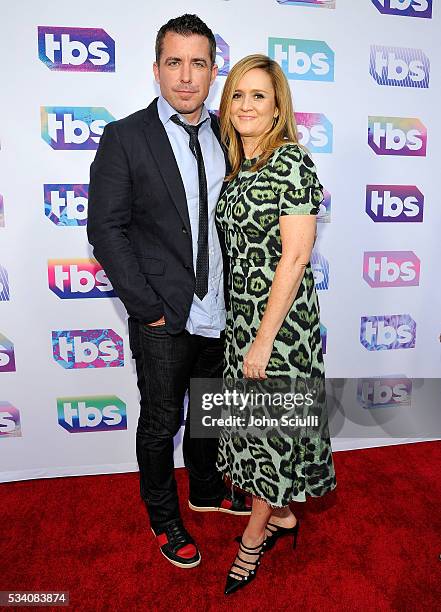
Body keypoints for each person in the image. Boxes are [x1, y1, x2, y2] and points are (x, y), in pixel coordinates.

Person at [87, 14, 251, 570]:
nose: (186, 76)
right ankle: (163, 516)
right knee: (161, 423)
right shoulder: (125, 137)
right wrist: (147, 307)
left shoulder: (231, 138)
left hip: (220, 308)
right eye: (174, 63)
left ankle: (204, 488)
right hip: (162, 313)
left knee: (208, 411)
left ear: (213, 71)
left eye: (198, 63)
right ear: (156, 69)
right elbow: (105, 229)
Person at [215, 54, 337, 594]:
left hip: (280, 328)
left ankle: (252, 540)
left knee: (267, 435)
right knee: (255, 432)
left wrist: (264, 340)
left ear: (277, 106)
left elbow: (294, 258)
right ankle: (282, 514)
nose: (246, 105)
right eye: (238, 94)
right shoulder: (240, 166)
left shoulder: (293, 164)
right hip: (241, 318)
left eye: (258, 95)